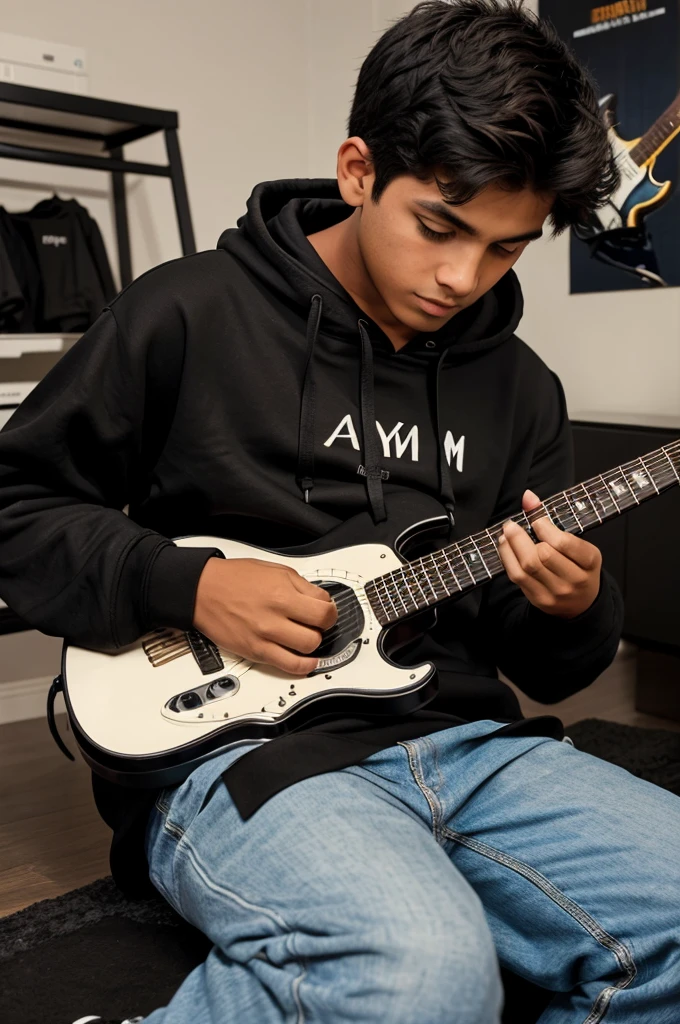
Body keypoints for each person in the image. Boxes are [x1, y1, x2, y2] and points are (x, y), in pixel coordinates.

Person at [1, 2, 679, 1021]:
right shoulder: (185, 311)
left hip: (466, 739)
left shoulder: (522, 388)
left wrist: (566, 604)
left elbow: (547, 668)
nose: (461, 278)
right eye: (438, 227)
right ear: (358, 170)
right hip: (235, 751)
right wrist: (186, 582)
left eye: (503, 249)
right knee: (421, 971)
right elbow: (16, 505)